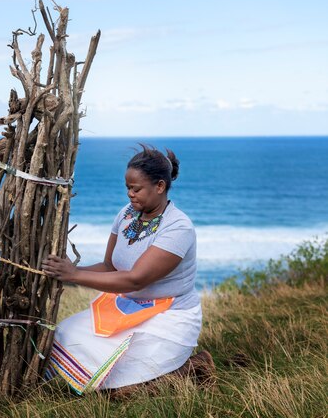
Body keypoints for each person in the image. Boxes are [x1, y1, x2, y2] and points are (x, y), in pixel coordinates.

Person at [42, 145, 215, 396]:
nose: (130, 195)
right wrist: (68, 271)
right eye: (128, 188)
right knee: (64, 335)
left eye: (136, 189)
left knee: (119, 393)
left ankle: (193, 367)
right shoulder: (126, 215)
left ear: (159, 186)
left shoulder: (178, 228)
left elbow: (136, 279)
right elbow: (109, 267)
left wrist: (72, 275)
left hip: (169, 316)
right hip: (126, 308)